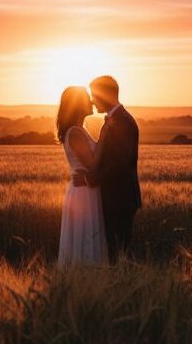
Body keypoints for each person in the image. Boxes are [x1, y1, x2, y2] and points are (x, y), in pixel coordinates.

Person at [72, 76, 141, 263]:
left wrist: (90, 179)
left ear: (106, 95)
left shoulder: (123, 122)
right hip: (116, 198)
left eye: (95, 95)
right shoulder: (115, 119)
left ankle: (124, 288)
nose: (93, 101)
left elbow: (120, 162)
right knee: (116, 254)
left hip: (121, 199)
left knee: (119, 254)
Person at [56, 86, 109, 265]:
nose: (92, 101)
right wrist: (104, 135)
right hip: (83, 193)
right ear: (78, 105)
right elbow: (92, 163)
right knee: (85, 237)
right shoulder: (76, 132)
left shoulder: (79, 130)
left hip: (85, 190)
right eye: (87, 98)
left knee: (87, 238)